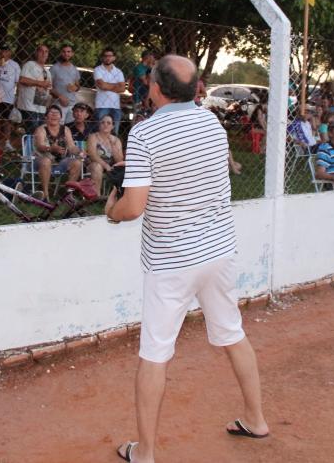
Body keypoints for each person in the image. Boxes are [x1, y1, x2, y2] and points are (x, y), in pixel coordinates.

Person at [105, 55, 268, 463]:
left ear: (156, 88)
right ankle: (256, 419)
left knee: (155, 354)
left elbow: (133, 207)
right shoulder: (211, 122)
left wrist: (112, 209)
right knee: (232, 333)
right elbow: (190, 170)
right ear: (195, 89)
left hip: (171, 260)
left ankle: (145, 452)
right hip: (218, 251)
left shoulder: (144, 133)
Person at [33, 104, 82, 200]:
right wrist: (51, 148)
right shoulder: (41, 129)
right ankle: (45, 195)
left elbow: (71, 147)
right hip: (41, 161)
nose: (54, 115)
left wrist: (79, 152)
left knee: (77, 163)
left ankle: (68, 195)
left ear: (61, 117)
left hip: (60, 162)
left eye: (57, 113)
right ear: (46, 116)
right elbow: (40, 146)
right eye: (51, 113)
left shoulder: (65, 129)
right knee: (46, 161)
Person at [0, 44, 20, 151]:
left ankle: (7, 142)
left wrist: (17, 97)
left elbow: (18, 82)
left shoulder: (14, 65)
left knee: (8, 121)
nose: (3, 53)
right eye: (2, 51)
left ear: (10, 53)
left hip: (9, 98)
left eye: (6, 51)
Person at [17, 44, 52, 132]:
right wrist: (40, 83)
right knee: (32, 133)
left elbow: (48, 88)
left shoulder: (47, 72)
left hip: (41, 108)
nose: (44, 54)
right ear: (36, 53)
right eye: (41, 51)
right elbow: (22, 80)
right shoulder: (30, 64)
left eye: (46, 52)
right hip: (28, 107)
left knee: (40, 134)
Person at [86, 113, 124, 192]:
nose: (105, 125)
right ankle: (96, 196)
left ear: (112, 126)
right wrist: (105, 165)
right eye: (103, 122)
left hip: (112, 167)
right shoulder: (93, 137)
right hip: (94, 164)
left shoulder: (116, 140)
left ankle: (119, 194)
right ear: (99, 125)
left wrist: (113, 146)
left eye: (108, 123)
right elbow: (92, 155)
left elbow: (120, 160)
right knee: (97, 167)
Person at [93, 47, 126, 133]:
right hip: (101, 106)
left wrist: (107, 85)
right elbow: (102, 86)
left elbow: (122, 88)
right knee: (100, 132)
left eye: (110, 56)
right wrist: (116, 85)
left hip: (116, 106)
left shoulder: (118, 71)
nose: (108, 58)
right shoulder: (97, 69)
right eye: (105, 56)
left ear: (114, 57)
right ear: (102, 57)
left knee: (114, 133)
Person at [49, 43, 81, 123]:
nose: (66, 54)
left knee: (70, 128)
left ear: (72, 54)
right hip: (58, 105)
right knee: (58, 128)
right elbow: (48, 87)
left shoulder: (74, 69)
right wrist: (60, 96)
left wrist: (75, 87)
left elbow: (78, 86)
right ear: (61, 53)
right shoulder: (54, 68)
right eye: (64, 51)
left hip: (72, 105)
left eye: (68, 52)